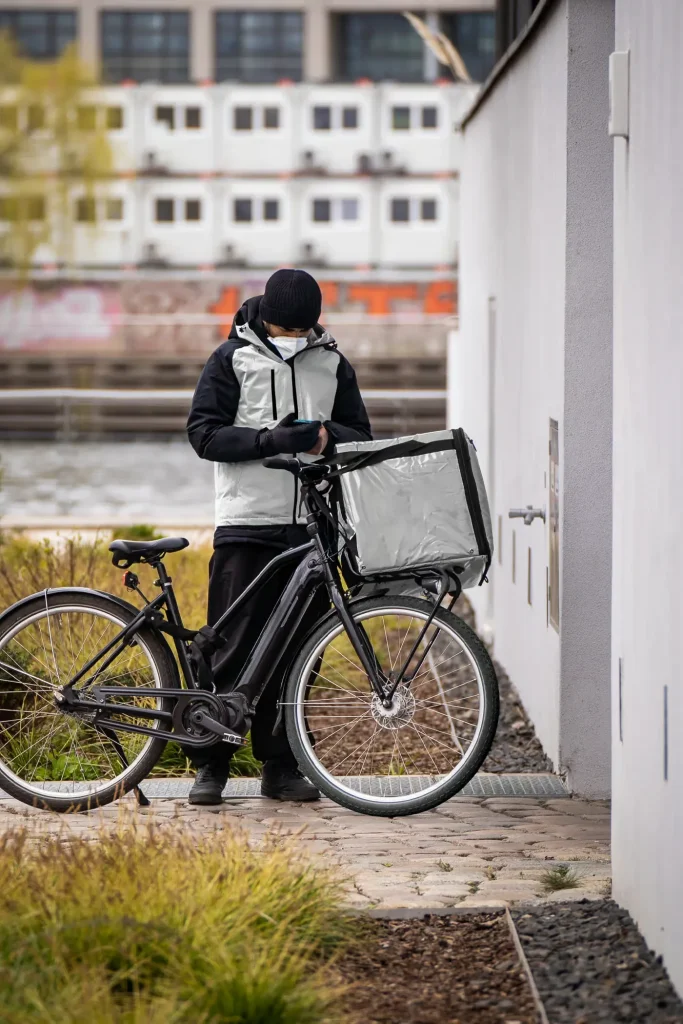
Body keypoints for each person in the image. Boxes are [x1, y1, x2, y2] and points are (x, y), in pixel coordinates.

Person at [185, 268, 372, 804]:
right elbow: (203, 434)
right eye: (284, 329)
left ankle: (281, 767)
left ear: (314, 323)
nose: (293, 337)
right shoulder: (231, 359)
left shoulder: (332, 363)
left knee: (297, 651)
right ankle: (211, 765)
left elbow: (361, 435)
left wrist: (322, 438)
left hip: (313, 527)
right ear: (265, 318)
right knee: (229, 648)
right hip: (246, 523)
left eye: (301, 330)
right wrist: (270, 440)